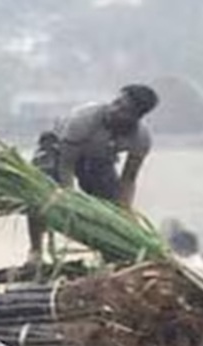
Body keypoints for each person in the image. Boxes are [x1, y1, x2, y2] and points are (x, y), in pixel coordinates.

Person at [27, 85, 160, 263]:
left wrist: (124, 210)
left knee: (110, 203)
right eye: (116, 102)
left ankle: (113, 256)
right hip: (59, 149)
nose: (115, 110)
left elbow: (128, 179)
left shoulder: (141, 138)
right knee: (40, 190)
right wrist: (68, 196)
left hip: (99, 156)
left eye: (124, 109)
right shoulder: (84, 119)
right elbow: (67, 164)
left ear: (136, 117)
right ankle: (36, 251)